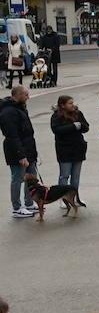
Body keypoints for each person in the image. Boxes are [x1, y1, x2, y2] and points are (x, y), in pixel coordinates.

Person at [2, 86, 39, 217]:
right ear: (17, 95)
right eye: (25, 94)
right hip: (17, 151)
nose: (28, 97)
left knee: (31, 176)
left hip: (27, 148)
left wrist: (33, 153)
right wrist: (21, 155)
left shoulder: (20, 107)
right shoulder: (8, 112)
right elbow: (12, 135)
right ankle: (17, 207)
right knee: (17, 178)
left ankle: (29, 203)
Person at [50, 93, 89, 195]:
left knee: (75, 177)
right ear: (63, 105)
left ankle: (73, 197)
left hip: (78, 149)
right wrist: (73, 127)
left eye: (72, 103)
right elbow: (56, 130)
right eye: (70, 103)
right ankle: (62, 197)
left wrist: (80, 125)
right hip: (64, 150)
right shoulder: (56, 116)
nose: (72, 105)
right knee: (64, 175)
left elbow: (86, 127)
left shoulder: (78, 113)